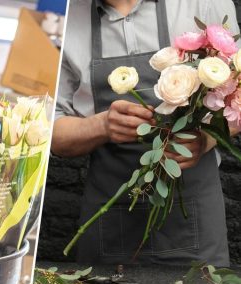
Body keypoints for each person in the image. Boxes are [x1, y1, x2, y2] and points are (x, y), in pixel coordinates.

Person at [53, 0, 241, 266]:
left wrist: (205, 139)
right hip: (109, 221)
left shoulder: (205, 4)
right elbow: (50, 132)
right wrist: (102, 126)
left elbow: (238, 100)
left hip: (194, 218)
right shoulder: (62, 20)